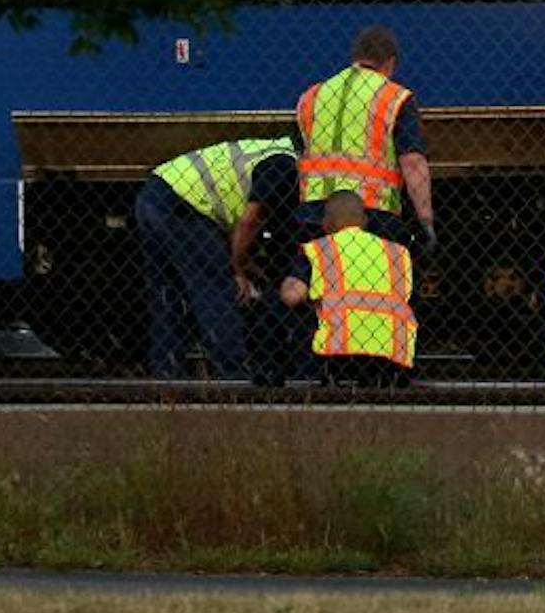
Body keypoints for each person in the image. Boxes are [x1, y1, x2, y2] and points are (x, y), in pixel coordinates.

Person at [133, 135, 296, 380]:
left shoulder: (274, 151)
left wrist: (243, 261)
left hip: (158, 192)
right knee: (215, 290)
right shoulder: (284, 164)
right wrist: (238, 269)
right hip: (185, 204)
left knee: (166, 295)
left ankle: (167, 377)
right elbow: (249, 221)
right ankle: (235, 376)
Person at [295, 25, 436, 250]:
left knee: (321, 275)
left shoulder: (313, 95)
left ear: (356, 57)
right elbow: (412, 162)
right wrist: (425, 219)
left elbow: (299, 153)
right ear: (390, 62)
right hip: (371, 211)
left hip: (316, 212)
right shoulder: (394, 97)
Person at [279, 190, 417, 387]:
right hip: (390, 352)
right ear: (365, 221)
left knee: (299, 306)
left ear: (326, 222)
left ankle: (304, 377)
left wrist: (286, 284)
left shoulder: (319, 248)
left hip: (336, 351)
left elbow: (292, 296)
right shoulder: (397, 252)